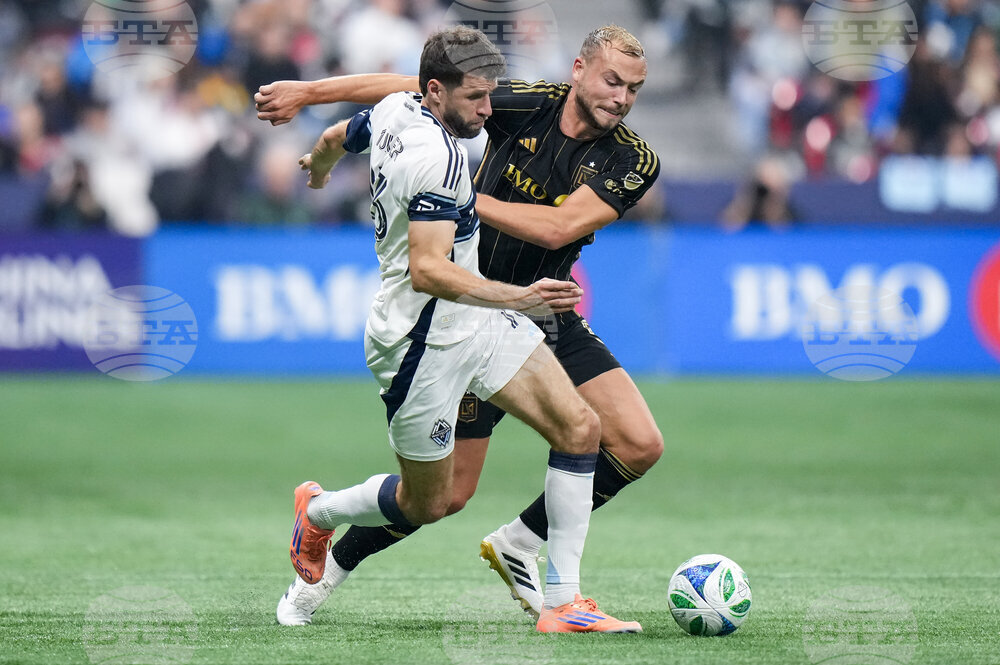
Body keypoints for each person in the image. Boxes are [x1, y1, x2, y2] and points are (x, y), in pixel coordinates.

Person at [260, 25, 663, 624]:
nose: (622, 98)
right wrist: (309, 91)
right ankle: (326, 549)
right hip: (462, 306)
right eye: (612, 81)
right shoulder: (527, 102)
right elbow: (412, 88)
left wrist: (458, 201)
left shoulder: (633, 160)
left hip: (538, 309)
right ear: (579, 69)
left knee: (632, 442)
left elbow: (557, 229)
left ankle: (529, 556)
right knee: (441, 498)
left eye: (633, 88)